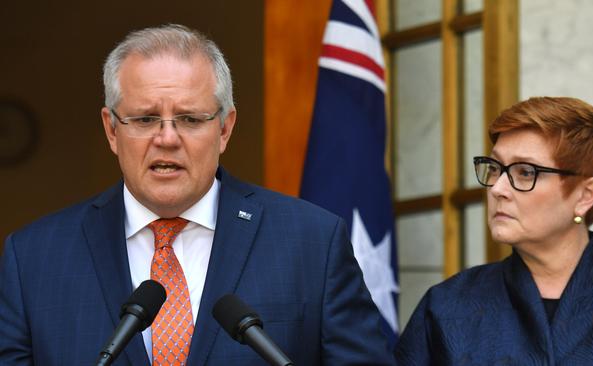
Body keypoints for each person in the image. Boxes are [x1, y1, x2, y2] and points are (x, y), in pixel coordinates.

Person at [0, 24, 395, 365]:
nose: (167, 138)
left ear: (224, 128)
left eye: (190, 119)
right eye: (145, 118)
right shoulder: (33, 259)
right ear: (111, 130)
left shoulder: (313, 243)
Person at [395, 97, 593, 364]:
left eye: (526, 172)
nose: (497, 189)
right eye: (494, 169)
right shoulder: (447, 307)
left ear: (585, 195)